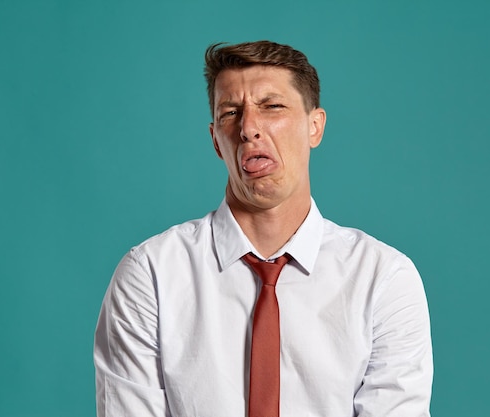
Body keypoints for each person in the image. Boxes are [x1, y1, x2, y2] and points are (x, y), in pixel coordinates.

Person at [94, 40, 433, 417]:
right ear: (216, 142)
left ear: (314, 127)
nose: (249, 128)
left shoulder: (384, 279)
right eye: (230, 113)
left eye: (272, 106)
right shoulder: (150, 275)